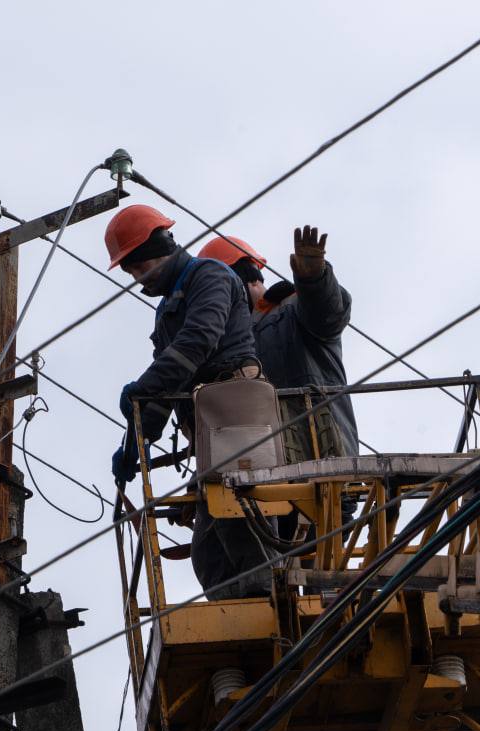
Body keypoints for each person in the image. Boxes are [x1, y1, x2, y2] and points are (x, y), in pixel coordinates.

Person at [104, 203, 275, 599]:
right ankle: (236, 623)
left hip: (237, 408)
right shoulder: (167, 311)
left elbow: (199, 340)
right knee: (209, 550)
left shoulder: (210, 276)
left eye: (135, 267)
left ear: (152, 249)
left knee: (241, 520)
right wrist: (138, 439)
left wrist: (144, 386)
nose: (136, 278)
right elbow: (170, 383)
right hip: (210, 423)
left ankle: (266, 610)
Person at [199, 226, 360, 534]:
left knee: (320, 560)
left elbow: (329, 314)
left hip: (320, 456)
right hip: (266, 471)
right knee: (282, 567)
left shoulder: (290, 308)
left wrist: (314, 278)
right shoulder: (231, 337)